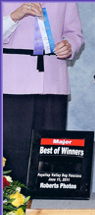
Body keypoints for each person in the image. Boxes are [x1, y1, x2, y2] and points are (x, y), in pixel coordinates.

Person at [2, 2, 84, 191]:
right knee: (12, 158)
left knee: (49, 160)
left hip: (53, 85)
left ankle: (46, 213)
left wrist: (69, 45)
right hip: (11, 85)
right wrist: (16, 15)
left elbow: (75, 33)